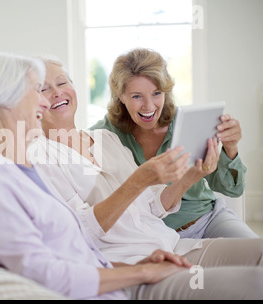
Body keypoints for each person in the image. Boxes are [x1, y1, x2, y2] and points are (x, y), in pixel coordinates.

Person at [27, 54, 263, 299]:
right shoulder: (38, 155)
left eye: (63, 83)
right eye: (44, 88)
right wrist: (139, 180)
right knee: (254, 283)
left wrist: (190, 177)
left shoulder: (104, 140)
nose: (56, 92)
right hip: (135, 261)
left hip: (173, 245)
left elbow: (151, 205)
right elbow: (80, 232)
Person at [91, 48, 258, 239]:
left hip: (207, 220)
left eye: (156, 93)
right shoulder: (103, 134)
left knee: (255, 252)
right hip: (152, 236)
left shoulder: (189, 123)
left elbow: (232, 189)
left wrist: (231, 147)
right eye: (137, 96)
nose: (149, 106)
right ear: (121, 96)